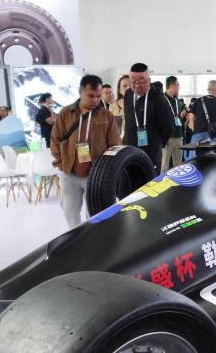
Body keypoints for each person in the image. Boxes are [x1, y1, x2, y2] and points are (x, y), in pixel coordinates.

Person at [50, 74, 121, 228]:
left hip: (95, 175)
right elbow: (55, 140)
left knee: (94, 214)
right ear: (80, 92)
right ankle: (75, 238)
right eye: (91, 96)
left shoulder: (107, 116)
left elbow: (115, 145)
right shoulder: (65, 113)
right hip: (69, 173)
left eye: (98, 96)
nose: (95, 100)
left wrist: (105, 171)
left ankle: (93, 240)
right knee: (70, 212)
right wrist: (62, 164)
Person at [123, 62, 174, 172]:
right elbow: (128, 120)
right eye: (133, 82)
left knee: (149, 180)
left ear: (149, 80)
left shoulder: (158, 98)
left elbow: (169, 126)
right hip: (130, 150)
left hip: (151, 153)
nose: (137, 85)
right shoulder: (128, 94)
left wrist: (157, 142)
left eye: (142, 82)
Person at [187, 80, 216, 146]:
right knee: (212, 152)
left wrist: (193, 129)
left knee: (195, 152)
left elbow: (191, 117)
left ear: (208, 90)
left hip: (197, 135)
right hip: (212, 136)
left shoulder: (198, 101)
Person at [161, 76, 188, 169]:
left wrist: (183, 113)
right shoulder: (162, 100)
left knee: (179, 165)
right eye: (178, 85)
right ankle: (164, 179)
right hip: (167, 138)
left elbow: (178, 116)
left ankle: (178, 180)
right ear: (172, 85)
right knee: (164, 166)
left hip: (179, 136)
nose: (179, 87)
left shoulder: (177, 101)